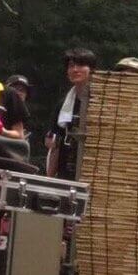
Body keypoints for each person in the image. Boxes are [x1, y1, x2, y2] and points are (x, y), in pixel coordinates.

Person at [46, 48, 97, 179]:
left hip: (94, 170)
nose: (75, 70)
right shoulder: (63, 104)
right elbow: (55, 144)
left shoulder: (101, 103)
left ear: (91, 69)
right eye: (71, 66)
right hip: (66, 170)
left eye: (80, 65)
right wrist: (49, 179)